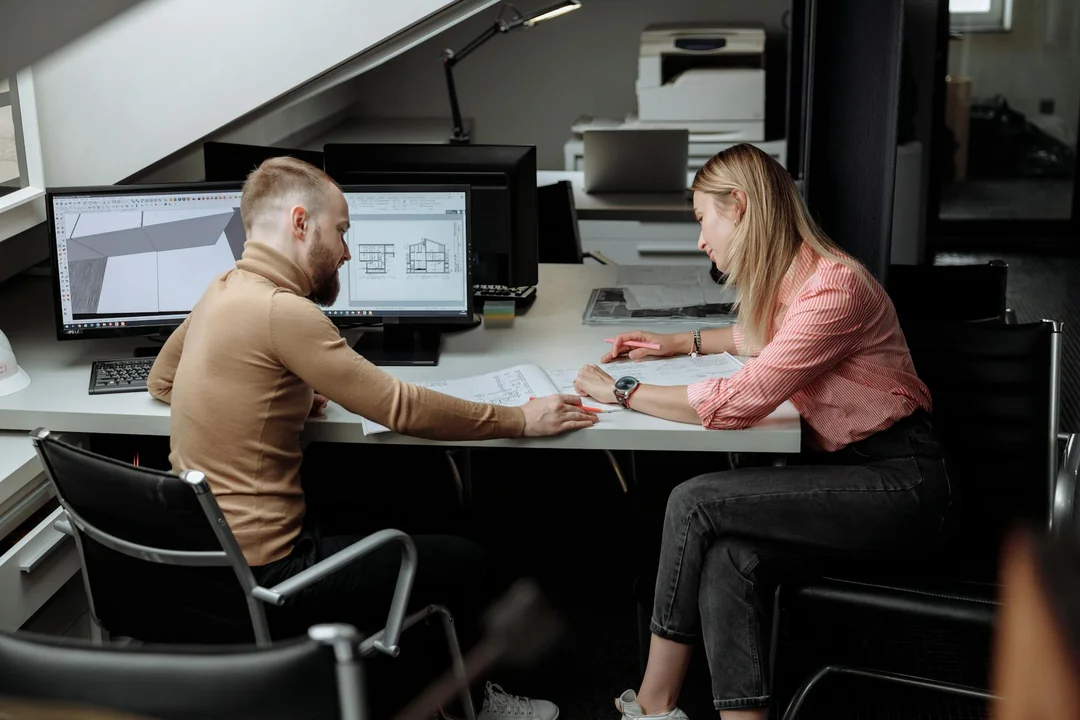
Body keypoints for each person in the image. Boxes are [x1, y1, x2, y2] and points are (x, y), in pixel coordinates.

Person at [147, 156, 594, 720]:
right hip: (272, 572)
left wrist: (270, 392)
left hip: (206, 559)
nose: (348, 251)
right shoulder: (283, 312)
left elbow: (162, 379)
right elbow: (400, 407)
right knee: (466, 558)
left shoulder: (224, 287)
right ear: (301, 222)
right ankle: (470, 706)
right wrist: (519, 419)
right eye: (343, 231)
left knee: (375, 496)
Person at [573, 144, 952, 719]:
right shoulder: (796, 279)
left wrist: (620, 391)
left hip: (901, 485)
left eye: (704, 219)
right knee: (729, 557)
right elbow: (755, 339)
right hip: (847, 476)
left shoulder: (835, 287)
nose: (701, 240)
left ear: (741, 207)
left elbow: (742, 402)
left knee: (693, 503)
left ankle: (652, 708)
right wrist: (678, 343)